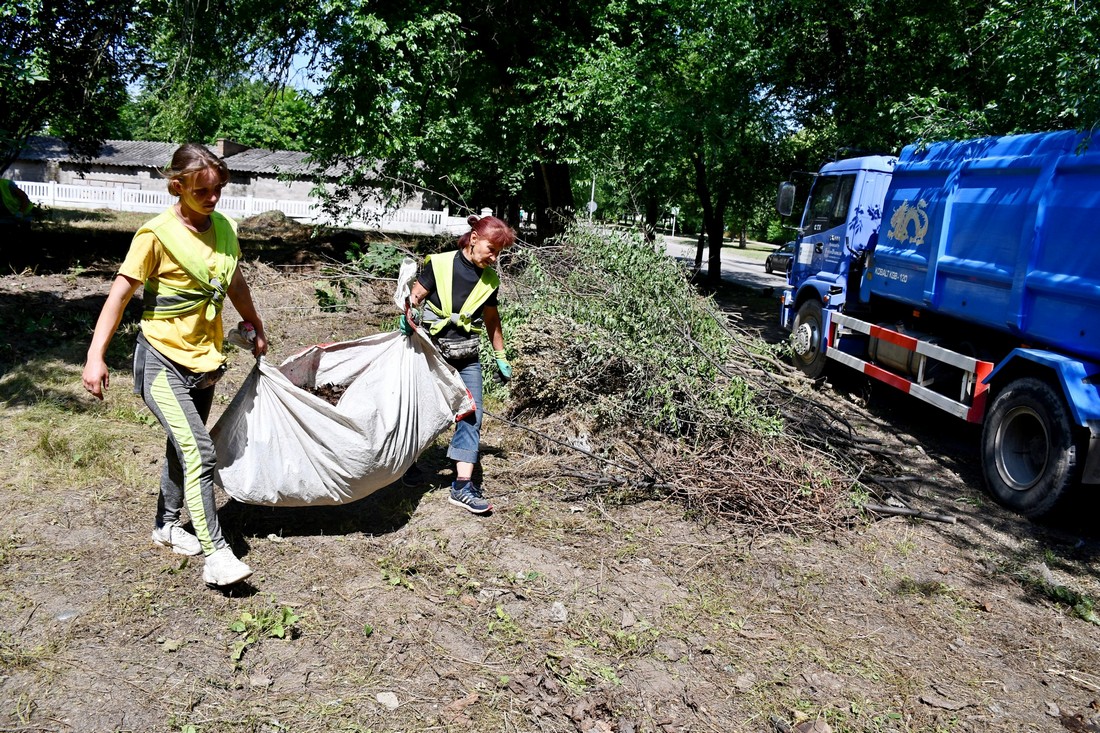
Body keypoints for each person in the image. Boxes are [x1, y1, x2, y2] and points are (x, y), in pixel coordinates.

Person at [81, 143, 268, 587]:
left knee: (181, 447)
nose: (213, 198)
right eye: (202, 190)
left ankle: (166, 525)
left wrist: (253, 321)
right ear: (177, 185)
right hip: (161, 361)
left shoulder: (224, 228)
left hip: (204, 362)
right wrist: (95, 356)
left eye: (219, 189)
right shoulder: (155, 235)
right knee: (200, 451)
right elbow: (120, 295)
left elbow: (234, 280)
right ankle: (216, 553)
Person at [401, 214, 516, 514]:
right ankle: (405, 463)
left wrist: (501, 355)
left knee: (472, 413)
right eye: (491, 249)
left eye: (499, 253)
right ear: (474, 239)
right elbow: (415, 297)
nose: (494, 258)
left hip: (467, 356)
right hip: (431, 352)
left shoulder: (490, 280)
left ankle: (462, 485)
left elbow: (492, 320)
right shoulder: (439, 264)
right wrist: (407, 315)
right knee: (421, 410)